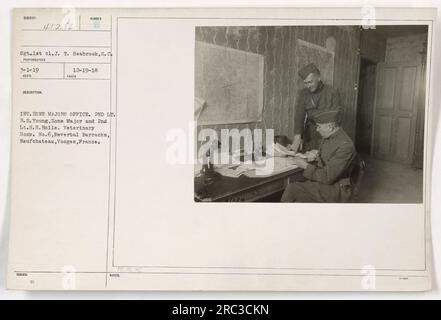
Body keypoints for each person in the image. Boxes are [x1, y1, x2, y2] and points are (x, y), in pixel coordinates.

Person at [281, 108, 356, 203]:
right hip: (325, 181)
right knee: (295, 185)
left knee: (292, 189)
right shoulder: (330, 136)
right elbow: (321, 150)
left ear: (330, 127)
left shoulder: (345, 146)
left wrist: (305, 165)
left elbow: (327, 177)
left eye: (319, 126)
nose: (317, 129)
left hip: (336, 189)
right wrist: (311, 154)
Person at [289, 63, 342, 152]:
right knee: (306, 157)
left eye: (310, 82)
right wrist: (297, 138)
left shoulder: (332, 91)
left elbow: (337, 117)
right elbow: (299, 116)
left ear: (318, 78)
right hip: (310, 132)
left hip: (328, 132)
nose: (308, 86)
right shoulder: (303, 93)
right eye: (305, 83)